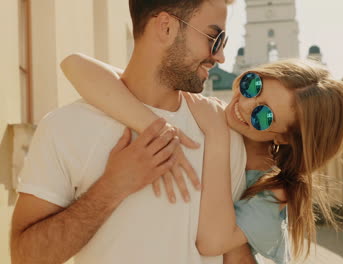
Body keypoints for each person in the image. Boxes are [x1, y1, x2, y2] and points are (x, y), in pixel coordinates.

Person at [10, 0, 251, 263]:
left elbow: (234, 256)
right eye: (214, 39)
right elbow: (25, 256)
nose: (220, 57)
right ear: (166, 27)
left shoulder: (222, 134)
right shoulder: (65, 127)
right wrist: (113, 187)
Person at [61, 53, 343, 263]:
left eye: (264, 115)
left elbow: (212, 241)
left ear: (284, 138)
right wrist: (155, 127)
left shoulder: (276, 189)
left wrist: (216, 136)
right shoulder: (208, 110)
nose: (245, 103)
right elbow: (74, 65)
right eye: (254, 84)